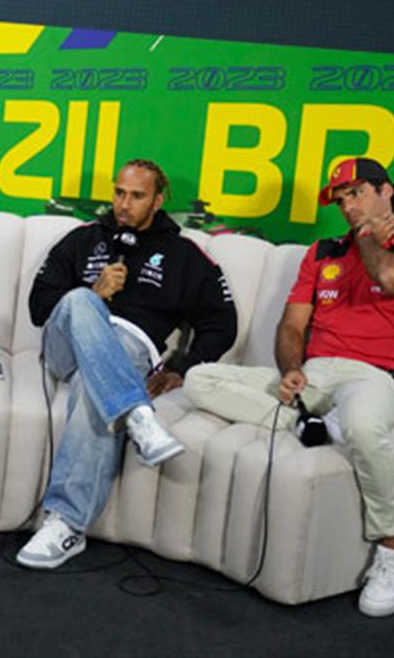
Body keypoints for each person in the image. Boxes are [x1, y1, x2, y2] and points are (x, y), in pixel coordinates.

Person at [184, 157, 394, 617]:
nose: (348, 206)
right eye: (342, 200)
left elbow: (390, 278)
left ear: (387, 192)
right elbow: (291, 326)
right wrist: (291, 369)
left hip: (375, 378)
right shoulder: (322, 254)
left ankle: (393, 551)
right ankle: (312, 423)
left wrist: (369, 236)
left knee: (362, 425)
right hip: (317, 373)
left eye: (357, 193)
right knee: (199, 378)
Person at [16, 159, 237, 569]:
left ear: (158, 200)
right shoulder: (83, 239)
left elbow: (222, 322)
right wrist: (94, 291)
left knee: (91, 387)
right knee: (79, 299)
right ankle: (137, 413)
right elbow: (39, 304)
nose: (123, 204)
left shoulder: (183, 255)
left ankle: (66, 523)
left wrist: (183, 368)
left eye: (136, 196)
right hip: (66, 344)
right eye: (119, 193)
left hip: (131, 347)